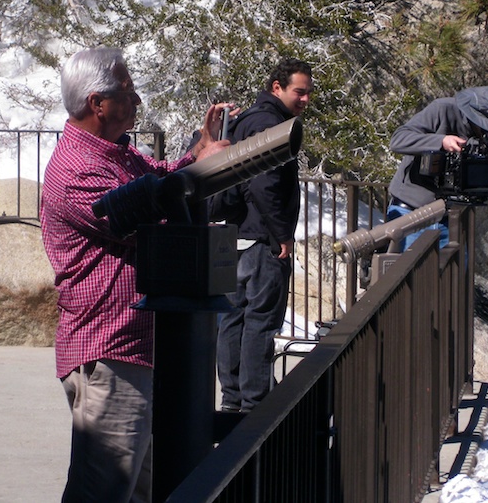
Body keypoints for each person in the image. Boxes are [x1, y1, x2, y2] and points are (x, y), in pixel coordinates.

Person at [39, 46, 228, 503]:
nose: (137, 101)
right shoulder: (78, 170)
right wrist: (205, 168)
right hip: (108, 350)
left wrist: (198, 154)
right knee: (102, 490)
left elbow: (158, 178)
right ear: (96, 104)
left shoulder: (116, 154)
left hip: (132, 347)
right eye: (127, 91)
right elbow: (150, 220)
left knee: (137, 488)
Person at [216, 57, 314, 413]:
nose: (304, 100)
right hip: (259, 239)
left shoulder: (246, 120)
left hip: (234, 234)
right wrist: (281, 235)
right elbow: (264, 183)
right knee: (260, 320)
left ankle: (233, 399)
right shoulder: (271, 125)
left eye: (308, 94)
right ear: (277, 87)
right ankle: (254, 405)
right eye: (299, 92)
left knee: (233, 317)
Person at [387, 84, 488, 251]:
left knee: (452, 274)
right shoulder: (442, 109)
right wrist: (440, 142)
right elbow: (398, 140)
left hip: (451, 217)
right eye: (486, 125)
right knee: (406, 272)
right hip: (411, 213)